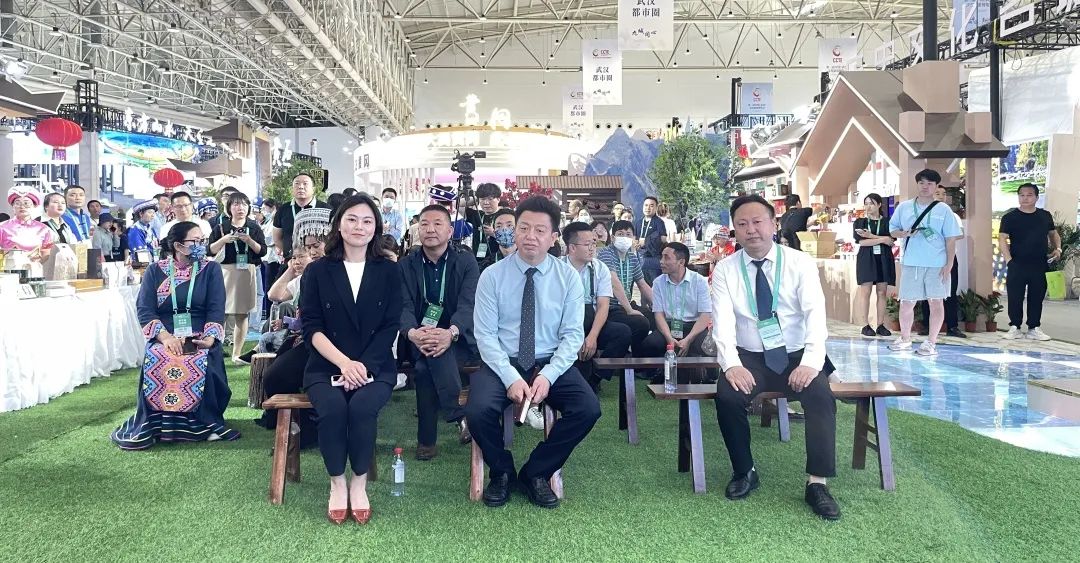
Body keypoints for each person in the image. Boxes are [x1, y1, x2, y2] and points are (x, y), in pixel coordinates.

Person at [710, 194, 840, 521]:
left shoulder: (799, 263)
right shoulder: (725, 269)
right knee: (727, 395)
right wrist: (731, 365)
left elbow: (815, 315)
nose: (751, 229)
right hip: (750, 356)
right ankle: (744, 471)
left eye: (757, 222)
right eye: (742, 224)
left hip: (795, 355)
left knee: (821, 395)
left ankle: (817, 483)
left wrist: (811, 362)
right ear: (735, 229)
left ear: (773, 224)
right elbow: (722, 322)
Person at [467, 195, 601, 509]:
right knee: (477, 410)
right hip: (503, 361)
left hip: (550, 361)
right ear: (514, 231)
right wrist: (510, 377)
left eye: (540, 230)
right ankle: (501, 471)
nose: (530, 236)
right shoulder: (492, 276)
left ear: (554, 238)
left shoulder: (568, 278)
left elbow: (572, 335)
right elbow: (485, 336)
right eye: (524, 228)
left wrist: (549, 375)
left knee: (587, 408)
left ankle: (536, 472)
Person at [300, 194, 402, 525]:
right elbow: (311, 327)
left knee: (361, 408)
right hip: (326, 364)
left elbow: (390, 325)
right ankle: (337, 483)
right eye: (352, 219)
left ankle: (359, 484)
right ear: (339, 225)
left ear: (376, 228)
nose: (359, 227)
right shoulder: (318, 270)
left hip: (376, 365)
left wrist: (363, 366)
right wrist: (344, 364)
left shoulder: (389, 271)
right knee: (332, 409)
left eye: (367, 221)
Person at [111, 221, 239, 450]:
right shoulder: (155, 270)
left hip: (200, 332)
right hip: (165, 334)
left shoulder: (210, 269)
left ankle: (204, 423)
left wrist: (210, 338)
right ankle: (157, 424)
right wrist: (166, 338)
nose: (201, 246)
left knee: (198, 358)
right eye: (195, 241)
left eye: (202, 241)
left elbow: (216, 307)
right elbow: (145, 309)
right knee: (160, 356)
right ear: (178, 246)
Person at [400, 204, 479, 460]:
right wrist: (412, 333)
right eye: (424, 224)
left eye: (437, 224)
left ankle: (427, 440)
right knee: (430, 355)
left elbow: (468, 304)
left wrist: (451, 332)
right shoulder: (406, 264)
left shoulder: (465, 261)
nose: (430, 229)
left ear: (450, 230)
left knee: (425, 369)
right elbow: (402, 306)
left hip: (458, 337)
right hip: (418, 337)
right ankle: (460, 417)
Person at [888, 169, 962, 356]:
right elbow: (893, 229)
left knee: (936, 302)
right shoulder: (904, 207)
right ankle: (905, 338)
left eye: (930, 183)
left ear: (936, 186)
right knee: (906, 302)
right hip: (911, 262)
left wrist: (949, 264)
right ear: (917, 184)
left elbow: (951, 239)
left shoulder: (943, 210)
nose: (925, 187)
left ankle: (931, 343)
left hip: (937, 264)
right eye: (922, 183)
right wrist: (903, 233)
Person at [561, 221, 631, 390]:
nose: (593, 248)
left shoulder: (600, 268)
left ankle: (597, 377)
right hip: (564, 325)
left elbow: (603, 305)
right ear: (572, 248)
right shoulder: (557, 269)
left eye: (594, 243)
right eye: (587, 244)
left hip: (590, 322)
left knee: (622, 332)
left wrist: (592, 337)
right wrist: (574, 338)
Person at [640, 242, 714, 383]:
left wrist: (689, 339)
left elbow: (705, 315)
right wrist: (669, 338)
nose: (661, 261)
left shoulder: (699, 281)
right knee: (651, 343)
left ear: (681, 262)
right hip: (669, 326)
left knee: (706, 344)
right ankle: (660, 372)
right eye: (661, 257)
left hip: (694, 327)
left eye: (666, 257)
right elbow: (659, 315)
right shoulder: (658, 282)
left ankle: (705, 374)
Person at [209, 192, 267, 363]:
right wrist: (224, 240)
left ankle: (237, 353)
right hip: (225, 271)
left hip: (246, 271)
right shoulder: (221, 227)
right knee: (221, 313)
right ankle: (215, 350)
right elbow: (210, 250)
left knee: (242, 314)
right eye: (235, 204)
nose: (240, 208)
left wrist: (249, 241)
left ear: (248, 208)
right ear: (229, 208)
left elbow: (262, 251)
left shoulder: (254, 227)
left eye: (243, 204)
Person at [999, 182, 1060, 341]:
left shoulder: (1044, 216)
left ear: (1037, 197)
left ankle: (1034, 327)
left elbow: (1053, 234)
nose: (1025, 198)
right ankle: (1015, 327)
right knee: (1015, 296)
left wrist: (1058, 249)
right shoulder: (1010, 217)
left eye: (1029, 195)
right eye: (1022, 195)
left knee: (1036, 297)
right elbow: (1002, 238)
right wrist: (1009, 260)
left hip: (1039, 263)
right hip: (1017, 263)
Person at [597, 220, 653, 354]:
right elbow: (614, 282)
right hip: (610, 307)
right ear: (613, 237)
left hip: (627, 305)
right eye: (620, 234)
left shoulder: (632, 258)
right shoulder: (606, 253)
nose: (624, 237)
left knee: (655, 318)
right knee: (640, 323)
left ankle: (642, 360)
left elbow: (642, 284)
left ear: (633, 238)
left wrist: (661, 308)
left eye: (628, 234)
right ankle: (628, 358)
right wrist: (629, 310)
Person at [919, 186, 966, 339]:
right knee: (928, 292)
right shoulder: (924, 214)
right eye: (937, 193)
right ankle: (927, 325)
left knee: (950, 291)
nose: (941, 196)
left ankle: (952, 326)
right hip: (929, 258)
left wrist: (944, 236)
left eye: (944, 194)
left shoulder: (952, 215)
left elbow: (960, 234)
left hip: (949, 257)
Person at [853, 193, 896, 337]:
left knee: (882, 292)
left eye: (871, 203)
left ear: (879, 205)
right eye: (866, 203)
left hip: (884, 258)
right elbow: (862, 242)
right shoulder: (860, 222)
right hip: (866, 258)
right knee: (865, 292)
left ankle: (880, 324)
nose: (868, 206)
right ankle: (865, 324)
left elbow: (891, 241)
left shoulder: (888, 222)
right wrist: (883, 239)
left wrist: (872, 237)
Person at [273, 172, 330, 262]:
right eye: (297, 183)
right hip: (292, 261)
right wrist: (290, 252)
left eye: (305, 183)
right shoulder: (283, 209)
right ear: (292, 189)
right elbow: (277, 238)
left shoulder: (326, 209)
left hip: (319, 261)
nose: (301, 187)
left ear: (313, 189)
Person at [0, 188, 53, 261]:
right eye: (17, 203)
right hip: (8, 266)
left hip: (35, 266)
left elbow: (47, 252)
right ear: (13, 206)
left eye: (26, 203)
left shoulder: (44, 229)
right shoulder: (2, 227)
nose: (22, 206)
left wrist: (38, 259)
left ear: (34, 206)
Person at [466, 182, 503, 261]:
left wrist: (493, 234)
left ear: (498, 199)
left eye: (490, 199)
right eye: (483, 199)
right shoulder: (476, 215)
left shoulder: (505, 216)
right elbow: (456, 204)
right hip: (478, 261)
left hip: (498, 261)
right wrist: (475, 199)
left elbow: (513, 241)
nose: (486, 202)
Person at [637, 196, 668, 284]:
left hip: (654, 259)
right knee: (643, 287)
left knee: (656, 286)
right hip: (640, 259)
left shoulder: (659, 222)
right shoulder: (638, 222)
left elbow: (663, 239)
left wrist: (646, 241)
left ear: (656, 208)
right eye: (646, 205)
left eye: (651, 205)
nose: (648, 208)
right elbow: (635, 237)